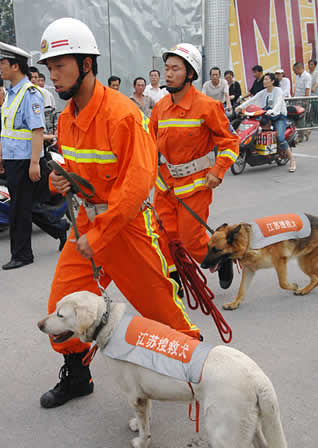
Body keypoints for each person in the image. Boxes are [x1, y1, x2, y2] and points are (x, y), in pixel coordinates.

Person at [37, 17, 200, 409]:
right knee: (61, 307)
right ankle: (78, 375)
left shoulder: (123, 115)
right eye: (49, 68)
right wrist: (61, 182)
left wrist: (98, 235)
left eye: (61, 65)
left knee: (165, 314)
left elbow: (135, 187)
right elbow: (79, 174)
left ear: (87, 64)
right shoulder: (65, 117)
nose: (53, 76)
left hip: (126, 229)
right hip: (87, 227)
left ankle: (197, 374)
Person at [150, 43, 239, 288]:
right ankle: (174, 281)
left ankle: (221, 259)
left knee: (190, 240)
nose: (168, 73)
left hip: (195, 185)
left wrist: (218, 170)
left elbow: (230, 142)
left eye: (175, 69)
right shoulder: (160, 108)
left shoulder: (207, 106)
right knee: (163, 236)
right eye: (166, 68)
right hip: (165, 184)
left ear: (190, 73)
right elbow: (148, 144)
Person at [0, 42, 69, 270]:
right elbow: (7, 130)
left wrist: (33, 163)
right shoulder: (10, 94)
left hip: (25, 160)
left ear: (15, 66)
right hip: (12, 160)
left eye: (3, 63)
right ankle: (59, 228)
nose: (0, 67)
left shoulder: (30, 94)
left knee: (20, 208)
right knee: (24, 205)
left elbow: (37, 131)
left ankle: (22, 254)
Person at [236, 72, 296, 172]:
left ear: (272, 81)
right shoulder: (263, 92)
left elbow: (278, 102)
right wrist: (240, 107)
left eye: (267, 79)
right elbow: (253, 99)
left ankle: (292, 160)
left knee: (280, 138)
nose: (264, 81)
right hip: (266, 115)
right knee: (256, 130)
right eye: (264, 79)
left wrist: (273, 111)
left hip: (278, 116)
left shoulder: (278, 91)